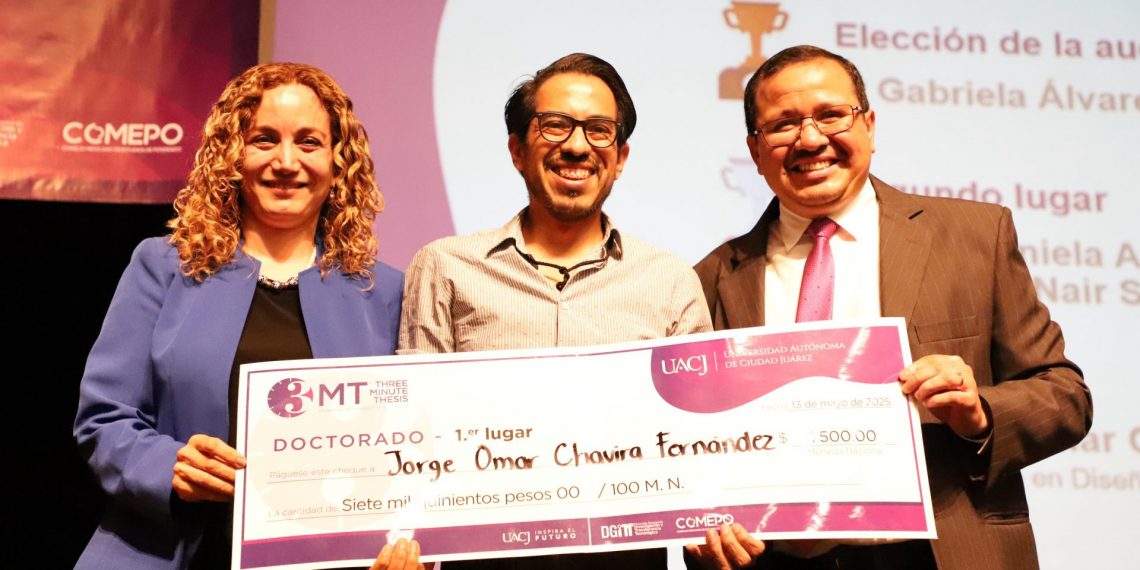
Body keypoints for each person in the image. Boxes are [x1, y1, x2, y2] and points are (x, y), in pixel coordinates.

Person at [687, 45, 1092, 569]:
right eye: (783, 124)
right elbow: (699, 457)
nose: (810, 139)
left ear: (870, 126)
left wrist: (978, 413)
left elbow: (1065, 396)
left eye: (832, 114)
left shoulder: (973, 236)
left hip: (941, 555)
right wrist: (704, 533)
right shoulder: (711, 279)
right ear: (755, 149)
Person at [73, 62, 404, 569]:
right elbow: (103, 419)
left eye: (309, 142)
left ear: (339, 161)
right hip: (171, 551)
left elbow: (404, 449)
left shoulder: (383, 291)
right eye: (264, 139)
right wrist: (169, 466)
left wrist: (400, 541)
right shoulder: (164, 267)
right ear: (232, 154)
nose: (286, 162)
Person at [398, 53, 712, 568]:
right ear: (517, 150)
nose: (576, 146)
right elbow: (415, 426)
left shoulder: (670, 280)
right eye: (555, 125)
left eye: (598, 130)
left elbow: (698, 443)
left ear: (621, 157)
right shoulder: (445, 266)